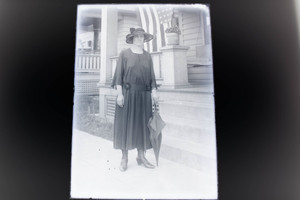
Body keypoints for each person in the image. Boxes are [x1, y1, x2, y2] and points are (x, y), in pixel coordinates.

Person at [111, 27, 159, 172]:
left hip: (144, 96)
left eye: (142, 37)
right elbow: (118, 76)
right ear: (132, 39)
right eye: (137, 37)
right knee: (125, 125)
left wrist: (154, 92)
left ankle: (141, 156)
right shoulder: (124, 54)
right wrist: (120, 94)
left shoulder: (147, 56)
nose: (139, 39)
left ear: (145, 39)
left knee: (142, 126)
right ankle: (124, 158)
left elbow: (151, 77)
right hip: (128, 94)